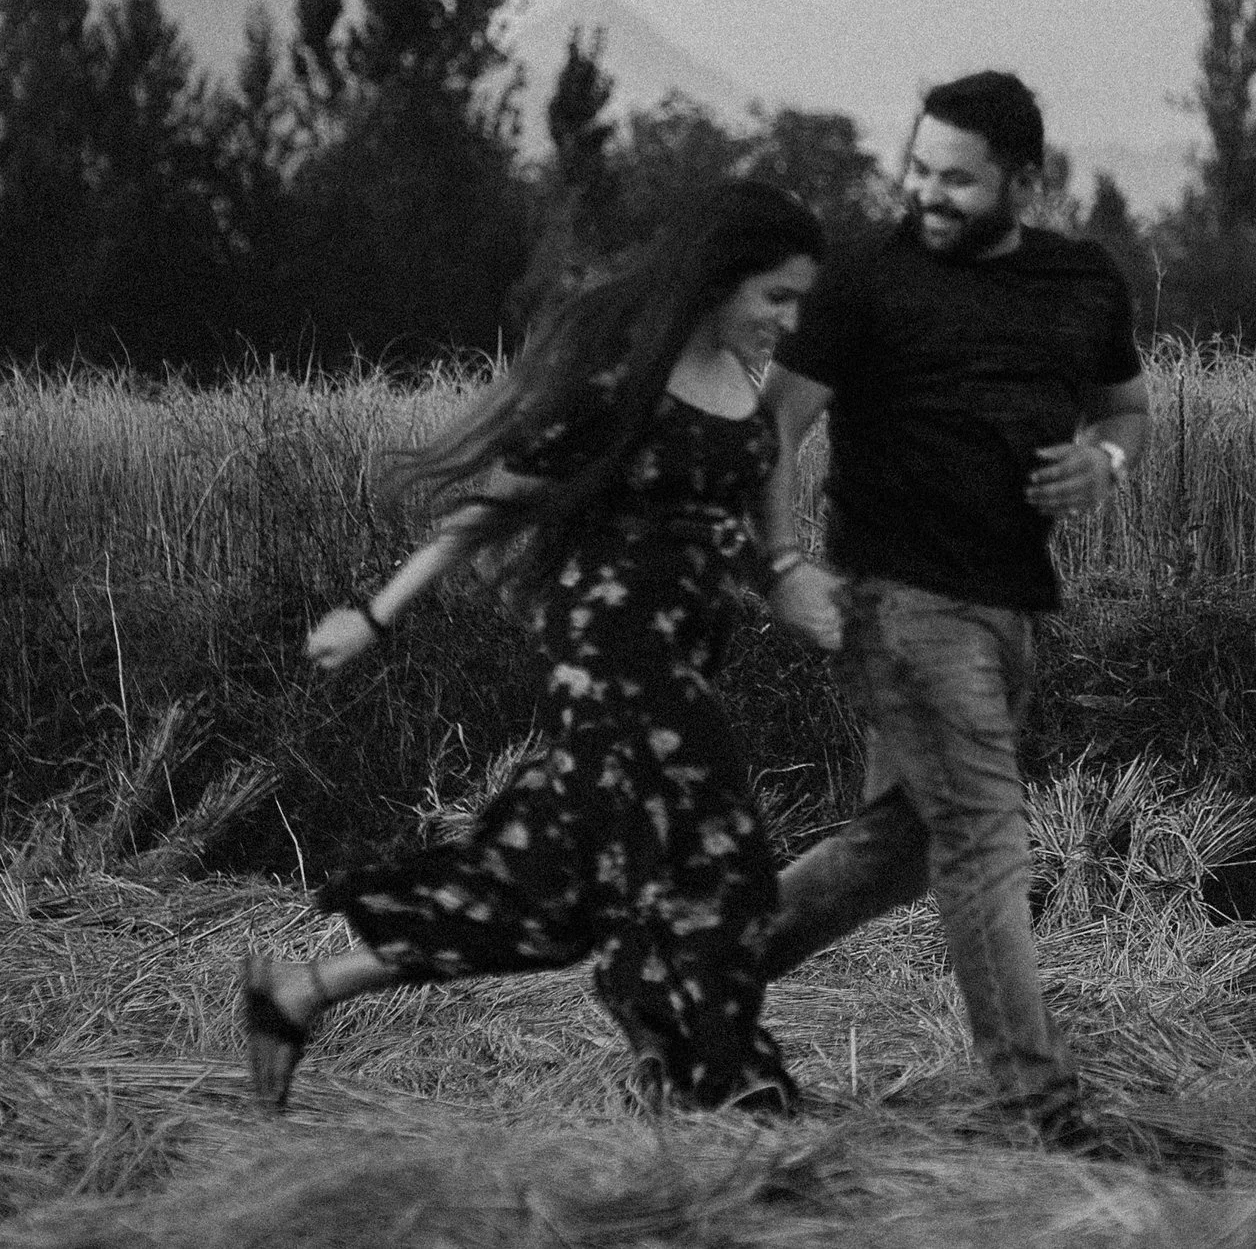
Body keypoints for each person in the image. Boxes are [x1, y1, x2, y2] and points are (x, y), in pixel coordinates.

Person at [239, 181, 828, 1116]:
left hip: (682, 665)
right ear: (721, 281)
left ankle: (300, 989)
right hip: (614, 667)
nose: (789, 319)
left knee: (545, 892)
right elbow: (499, 498)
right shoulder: (623, 377)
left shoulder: (746, 385)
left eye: (800, 300)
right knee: (726, 859)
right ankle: (714, 1073)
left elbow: (730, 534)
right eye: (775, 297)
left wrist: (795, 581)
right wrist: (375, 613)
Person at [755, 69, 1149, 1150]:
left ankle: (688, 974)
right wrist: (781, 561)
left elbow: (1125, 406)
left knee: (900, 849)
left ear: (1023, 180)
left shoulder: (1082, 278)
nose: (926, 192)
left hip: (1011, 606)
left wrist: (1103, 461)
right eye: (917, 168)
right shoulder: (864, 281)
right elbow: (771, 427)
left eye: (956, 179)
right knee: (984, 836)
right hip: (896, 600)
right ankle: (1039, 1107)